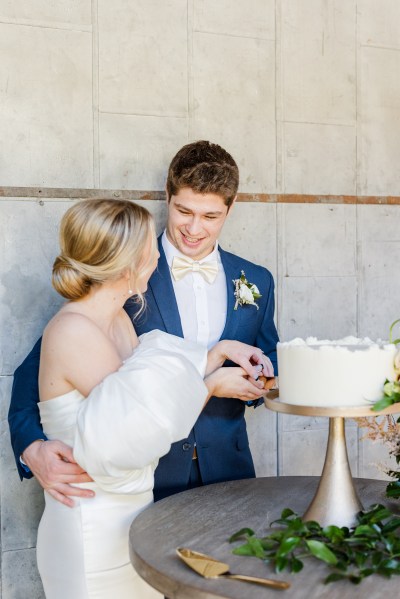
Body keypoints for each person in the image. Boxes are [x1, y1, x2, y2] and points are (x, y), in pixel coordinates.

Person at [9, 140, 278, 506]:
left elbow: (269, 352)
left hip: (229, 468)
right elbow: (37, 371)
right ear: (167, 195)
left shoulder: (257, 280)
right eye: (184, 211)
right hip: (144, 476)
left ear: (230, 209)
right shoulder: (124, 270)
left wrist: (262, 378)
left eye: (210, 216)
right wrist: (31, 448)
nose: (194, 228)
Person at [28, 198, 271, 598]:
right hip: (91, 525)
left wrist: (221, 351)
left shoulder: (119, 318)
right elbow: (136, 423)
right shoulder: (73, 331)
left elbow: (153, 383)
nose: (158, 252)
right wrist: (209, 385)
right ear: (127, 264)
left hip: (137, 520)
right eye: (149, 247)